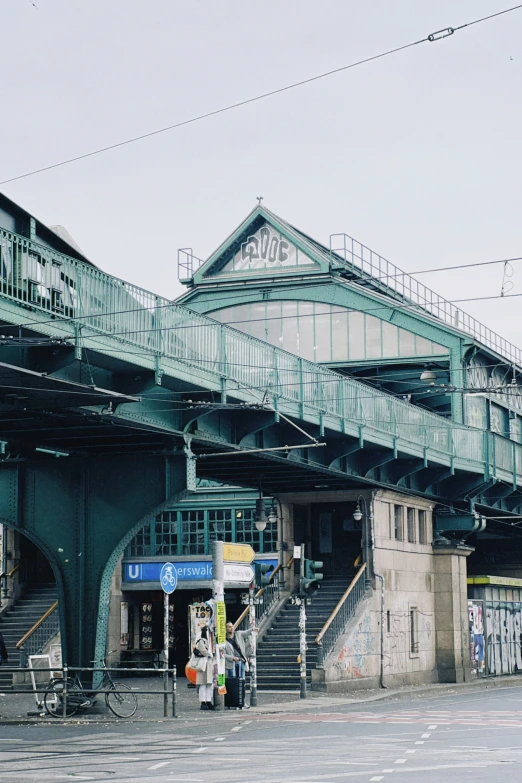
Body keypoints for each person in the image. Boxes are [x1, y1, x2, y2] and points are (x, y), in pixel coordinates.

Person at [194, 626, 214, 711]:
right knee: (203, 684)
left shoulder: (210, 641)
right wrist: (210, 654)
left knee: (209, 684)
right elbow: (203, 650)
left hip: (208, 664)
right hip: (203, 664)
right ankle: (203, 701)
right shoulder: (202, 641)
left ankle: (208, 701)